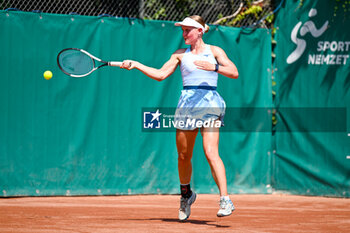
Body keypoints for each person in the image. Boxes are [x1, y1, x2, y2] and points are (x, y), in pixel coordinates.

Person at [120, 15, 239, 221]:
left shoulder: (215, 52)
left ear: (199, 31)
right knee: (184, 156)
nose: (183, 34)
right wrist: (137, 64)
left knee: (211, 152)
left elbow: (234, 72)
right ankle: (186, 195)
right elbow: (160, 74)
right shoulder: (179, 55)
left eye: (187, 31)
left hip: (210, 104)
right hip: (187, 106)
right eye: (182, 31)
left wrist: (215, 67)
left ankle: (225, 199)